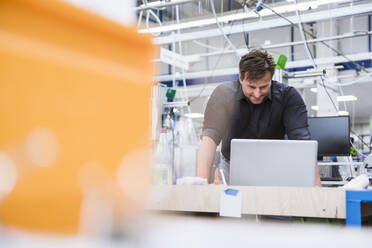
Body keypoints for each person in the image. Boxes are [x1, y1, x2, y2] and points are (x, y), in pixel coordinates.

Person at [197, 49, 321, 186]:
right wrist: (201, 184)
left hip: (274, 168)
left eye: (263, 87)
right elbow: (209, 138)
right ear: (240, 78)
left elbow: (303, 143)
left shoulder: (288, 97)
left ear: (271, 79)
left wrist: (316, 187)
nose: (257, 94)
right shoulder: (224, 95)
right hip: (231, 167)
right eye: (251, 87)